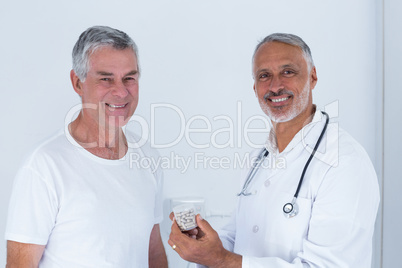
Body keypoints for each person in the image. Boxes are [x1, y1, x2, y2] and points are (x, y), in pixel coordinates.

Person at [168, 33, 380, 267]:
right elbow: (238, 238)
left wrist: (221, 260)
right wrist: (202, 244)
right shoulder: (257, 159)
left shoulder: (344, 162)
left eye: (288, 72)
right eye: (264, 75)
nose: (275, 86)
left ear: (313, 77)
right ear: (255, 87)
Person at [5, 26, 168, 268]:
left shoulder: (148, 157)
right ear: (77, 83)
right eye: (106, 78)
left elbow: (153, 252)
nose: (121, 91)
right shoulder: (44, 166)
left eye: (129, 78)